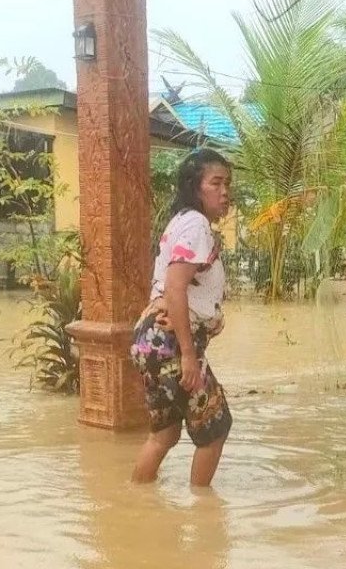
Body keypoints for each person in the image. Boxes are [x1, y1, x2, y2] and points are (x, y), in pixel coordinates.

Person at [131, 148, 234, 487]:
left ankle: (135, 503)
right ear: (194, 187)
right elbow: (176, 288)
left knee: (165, 434)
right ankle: (202, 512)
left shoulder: (182, 221)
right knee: (215, 426)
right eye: (215, 183)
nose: (224, 191)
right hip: (172, 343)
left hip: (153, 341)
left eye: (227, 183)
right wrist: (189, 355)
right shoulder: (195, 224)